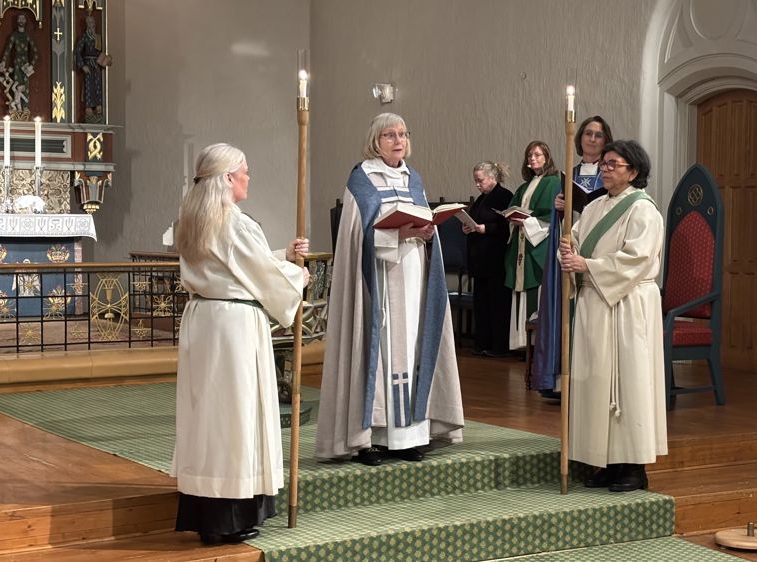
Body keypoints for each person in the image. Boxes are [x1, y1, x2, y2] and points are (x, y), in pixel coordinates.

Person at [171, 143, 310, 543]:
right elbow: (259, 272)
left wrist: (282, 255)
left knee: (209, 416)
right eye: (245, 171)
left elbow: (233, 264)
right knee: (235, 416)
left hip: (203, 320)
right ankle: (229, 517)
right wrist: (297, 277)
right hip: (233, 327)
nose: (249, 177)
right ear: (229, 177)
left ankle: (208, 512)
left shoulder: (193, 218)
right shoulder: (234, 221)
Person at [317, 113, 464, 467]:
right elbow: (357, 237)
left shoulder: (414, 179)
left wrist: (427, 233)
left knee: (413, 348)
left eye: (402, 134)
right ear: (375, 141)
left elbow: (423, 221)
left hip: (413, 275)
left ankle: (410, 437)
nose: (398, 140)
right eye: (389, 135)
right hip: (378, 281)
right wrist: (399, 234)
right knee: (381, 353)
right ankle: (372, 438)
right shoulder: (363, 180)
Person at [559, 140, 667, 492]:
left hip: (627, 305)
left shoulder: (644, 211)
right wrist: (567, 250)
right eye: (603, 163)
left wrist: (587, 265)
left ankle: (633, 466)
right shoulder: (594, 207)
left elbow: (637, 259)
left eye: (613, 164)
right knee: (597, 382)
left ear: (632, 171)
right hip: (595, 302)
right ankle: (605, 460)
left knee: (627, 382)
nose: (604, 169)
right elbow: (576, 241)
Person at [535, 116, 615, 397]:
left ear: (606, 141)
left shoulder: (610, 174)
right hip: (571, 247)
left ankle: (591, 381)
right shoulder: (570, 173)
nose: (592, 139)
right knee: (565, 309)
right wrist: (558, 206)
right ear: (579, 138)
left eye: (598, 135)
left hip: (598, 247)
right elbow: (559, 219)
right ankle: (561, 380)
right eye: (588, 134)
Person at [504, 141, 559, 351]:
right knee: (520, 291)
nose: (533, 158)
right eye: (529, 155)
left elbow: (550, 217)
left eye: (537, 154)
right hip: (521, 244)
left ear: (547, 157)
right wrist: (512, 218)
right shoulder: (524, 187)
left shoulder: (553, 182)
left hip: (537, 246)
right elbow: (512, 210)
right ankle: (520, 342)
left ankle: (536, 344)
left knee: (535, 290)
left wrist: (526, 222)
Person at [463, 161, 514, 357]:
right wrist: (467, 227)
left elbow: (507, 226)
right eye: (475, 181)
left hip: (495, 258)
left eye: (480, 180)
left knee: (497, 304)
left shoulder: (504, 196)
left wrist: (486, 228)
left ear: (492, 177)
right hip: (480, 259)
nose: (477, 184)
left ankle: (498, 346)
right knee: (482, 303)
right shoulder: (480, 199)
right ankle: (482, 343)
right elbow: (475, 220)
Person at [74, 14, 112, 123]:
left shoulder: (98, 38)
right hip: (88, 64)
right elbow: (77, 51)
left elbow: (101, 51)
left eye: (93, 22)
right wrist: (82, 65)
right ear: (87, 24)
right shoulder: (85, 37)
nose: (91, 25)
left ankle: (98, 106)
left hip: (97, 64)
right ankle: (89, 107)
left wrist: (106, 60)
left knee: (97, 84)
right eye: (89, 23)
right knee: (89, 85)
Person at [0, 14, 38, 114]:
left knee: (25, 85)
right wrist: (3, 61)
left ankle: (25, 107)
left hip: (25, 65)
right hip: (17, 64)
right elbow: (8, 50)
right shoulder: (14, 36)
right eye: (19, 19)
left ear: (25, 21)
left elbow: (35, 53)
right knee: (16, 85)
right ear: (17, 21)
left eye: (23, 19)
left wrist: (31, 65)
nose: (21, 20)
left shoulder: (27, 37)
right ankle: (17, 107)